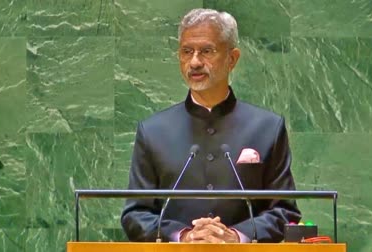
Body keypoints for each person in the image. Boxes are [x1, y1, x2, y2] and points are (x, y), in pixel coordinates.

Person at [121, 8, 301, 243]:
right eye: (187, 51)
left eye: (207, 51)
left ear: (232, 59)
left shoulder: (267, 128)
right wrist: (183, 235)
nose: (194, 62)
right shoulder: (153, 130)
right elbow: (135, 214)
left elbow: (285, 212)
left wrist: (237, 236)